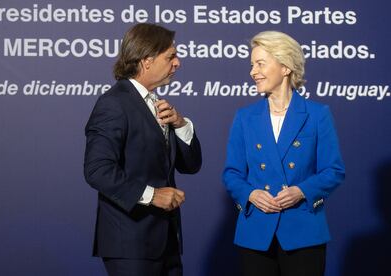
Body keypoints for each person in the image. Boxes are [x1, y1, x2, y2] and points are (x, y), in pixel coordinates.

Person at [222, 30, 345, 276]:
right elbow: (232, 174)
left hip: (303, 230)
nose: (252, 72)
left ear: (285, 67)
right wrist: (252, 193)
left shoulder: (317, 114)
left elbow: (333, 170)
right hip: (256, 231)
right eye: (251, 65)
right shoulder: (245, 117)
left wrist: (302, 191)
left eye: (260, 64)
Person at [83, 23, 202, 276]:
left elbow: (191, 166)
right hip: (130, 244)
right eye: (171, 56)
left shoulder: (156, 103)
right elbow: (97, 170)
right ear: (146, 61)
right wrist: (152, 195)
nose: (177, 63)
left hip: (167, 242)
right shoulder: (114, 104)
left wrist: (180, 125)